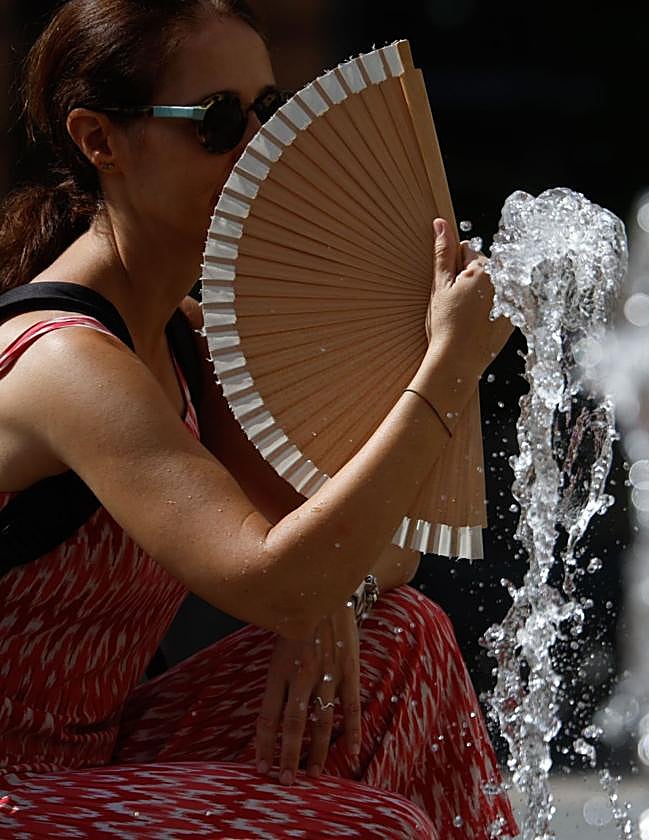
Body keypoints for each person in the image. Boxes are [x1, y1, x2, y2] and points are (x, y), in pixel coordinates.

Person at [0, 1, 515, 837]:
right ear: (100, 141)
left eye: (269, 114)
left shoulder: (183, 339)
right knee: (366, 828)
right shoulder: (66, 363)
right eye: (217, 122)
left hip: (93, 770)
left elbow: (384, 551)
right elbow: (275, 578)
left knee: (405, 640)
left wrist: (331, 598)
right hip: (16, 794)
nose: (258, 151)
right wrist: (448, 371)